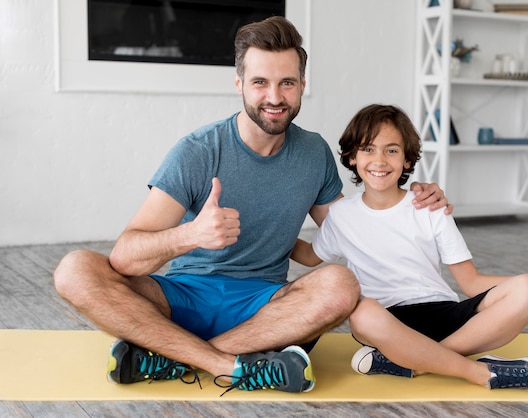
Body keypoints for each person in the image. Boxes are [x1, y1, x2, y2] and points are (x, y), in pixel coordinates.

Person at [53, 17, 450, 395]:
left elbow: (359, 228)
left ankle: (172, 355)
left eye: (287, 83)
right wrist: (191, 234)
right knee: (75, 270)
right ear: (239, 82)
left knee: (340, 284)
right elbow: (124, 257)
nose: (275, 97)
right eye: (260, 82)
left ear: (302, 85)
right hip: (179, 298)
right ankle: (231, 365)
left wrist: (413, 198)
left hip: (263, 310)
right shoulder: (197, 151)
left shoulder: (313, 153)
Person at [291, 104, 528, 391]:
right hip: (385, 321)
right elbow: (308, 255)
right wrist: (268, 229)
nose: (379, 160)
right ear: (353, 157)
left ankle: (416, 362)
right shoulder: (342, 214)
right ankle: (477, 372)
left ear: (407, 160)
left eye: (391, 150)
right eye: (368, 149)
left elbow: (471, 282)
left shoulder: (429, 206)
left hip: (442, 313)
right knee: (360, 313)